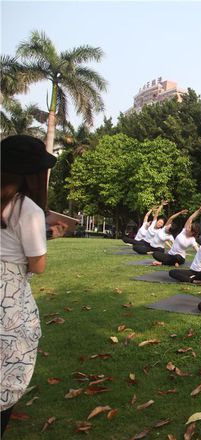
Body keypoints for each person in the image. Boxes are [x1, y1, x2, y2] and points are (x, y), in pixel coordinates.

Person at [1, 135, 67, 435]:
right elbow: (37, 266)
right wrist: (51, 235)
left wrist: (46, 233)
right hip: (9, 298)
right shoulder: (26, 209)